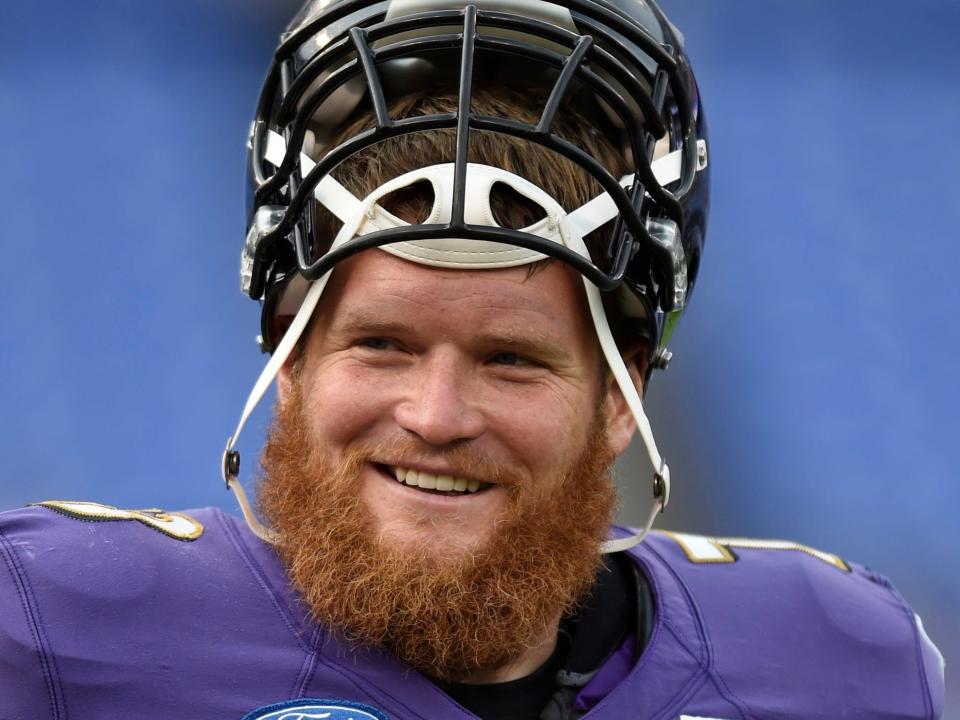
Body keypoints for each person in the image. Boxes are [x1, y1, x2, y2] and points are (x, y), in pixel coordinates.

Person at [0, 0, 945, 717]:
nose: (438, 414)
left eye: (511, 360)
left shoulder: (841, 663)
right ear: (290, 357)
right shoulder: (54, 627)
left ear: (623, 392)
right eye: (381, 344)